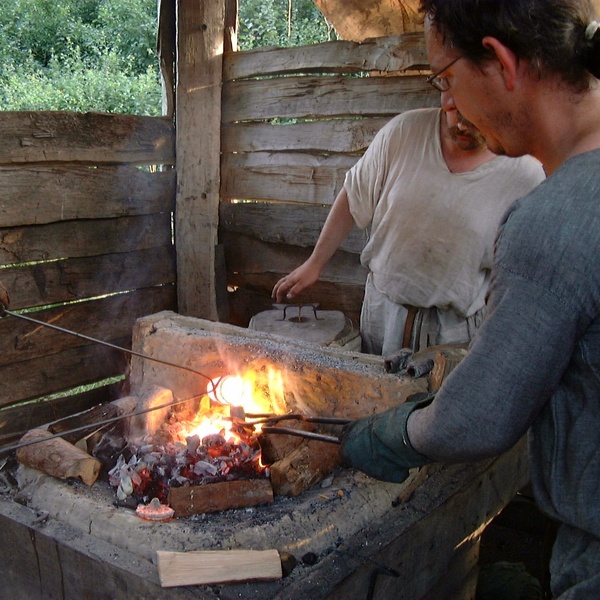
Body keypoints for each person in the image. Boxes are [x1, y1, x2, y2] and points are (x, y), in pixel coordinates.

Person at [340, 1, 600, 598]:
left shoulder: (554, 218)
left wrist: (394, 433)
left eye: (446, 76)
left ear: (502, 64)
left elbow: (480, 418)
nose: (448, 101)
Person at [272, 96, 544, 356]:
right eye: (454, 110)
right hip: (384, 312)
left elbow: (523, 274)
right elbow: (355, 192)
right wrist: (316, 262)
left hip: (453, 331)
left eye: (475, 119)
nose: (460, 125)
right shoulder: (404, 132)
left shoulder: (523, 175)